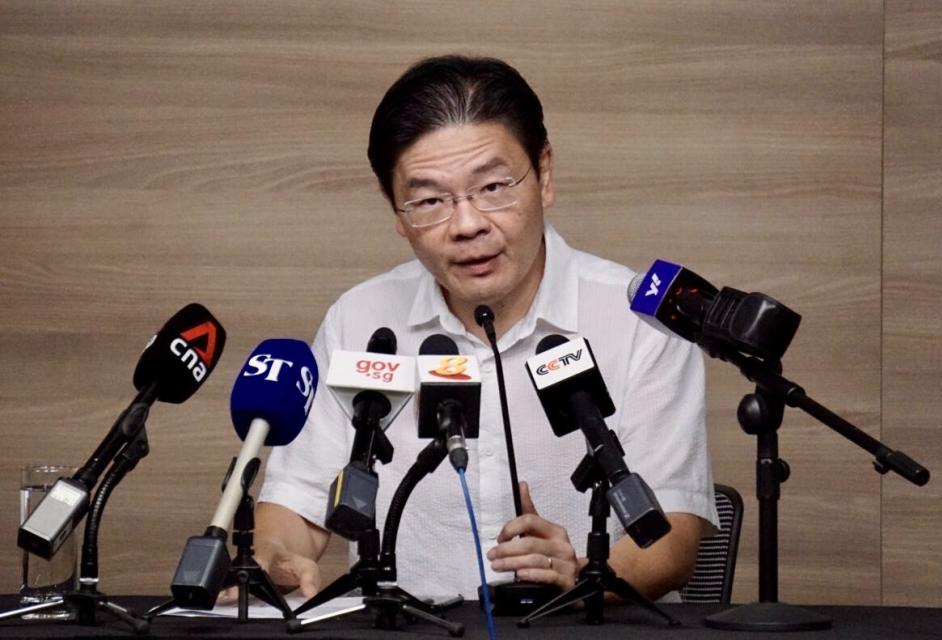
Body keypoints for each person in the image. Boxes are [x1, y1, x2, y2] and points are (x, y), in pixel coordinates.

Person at [253, 54, 718, 603]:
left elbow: (671, 542)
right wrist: (274, 561)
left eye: (494, 188)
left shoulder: (637, 322)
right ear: (397, 215)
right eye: (428, 200)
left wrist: (583, 574)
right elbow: (298, 504)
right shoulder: (362, 319)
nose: (468, 225)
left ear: (544, 174)